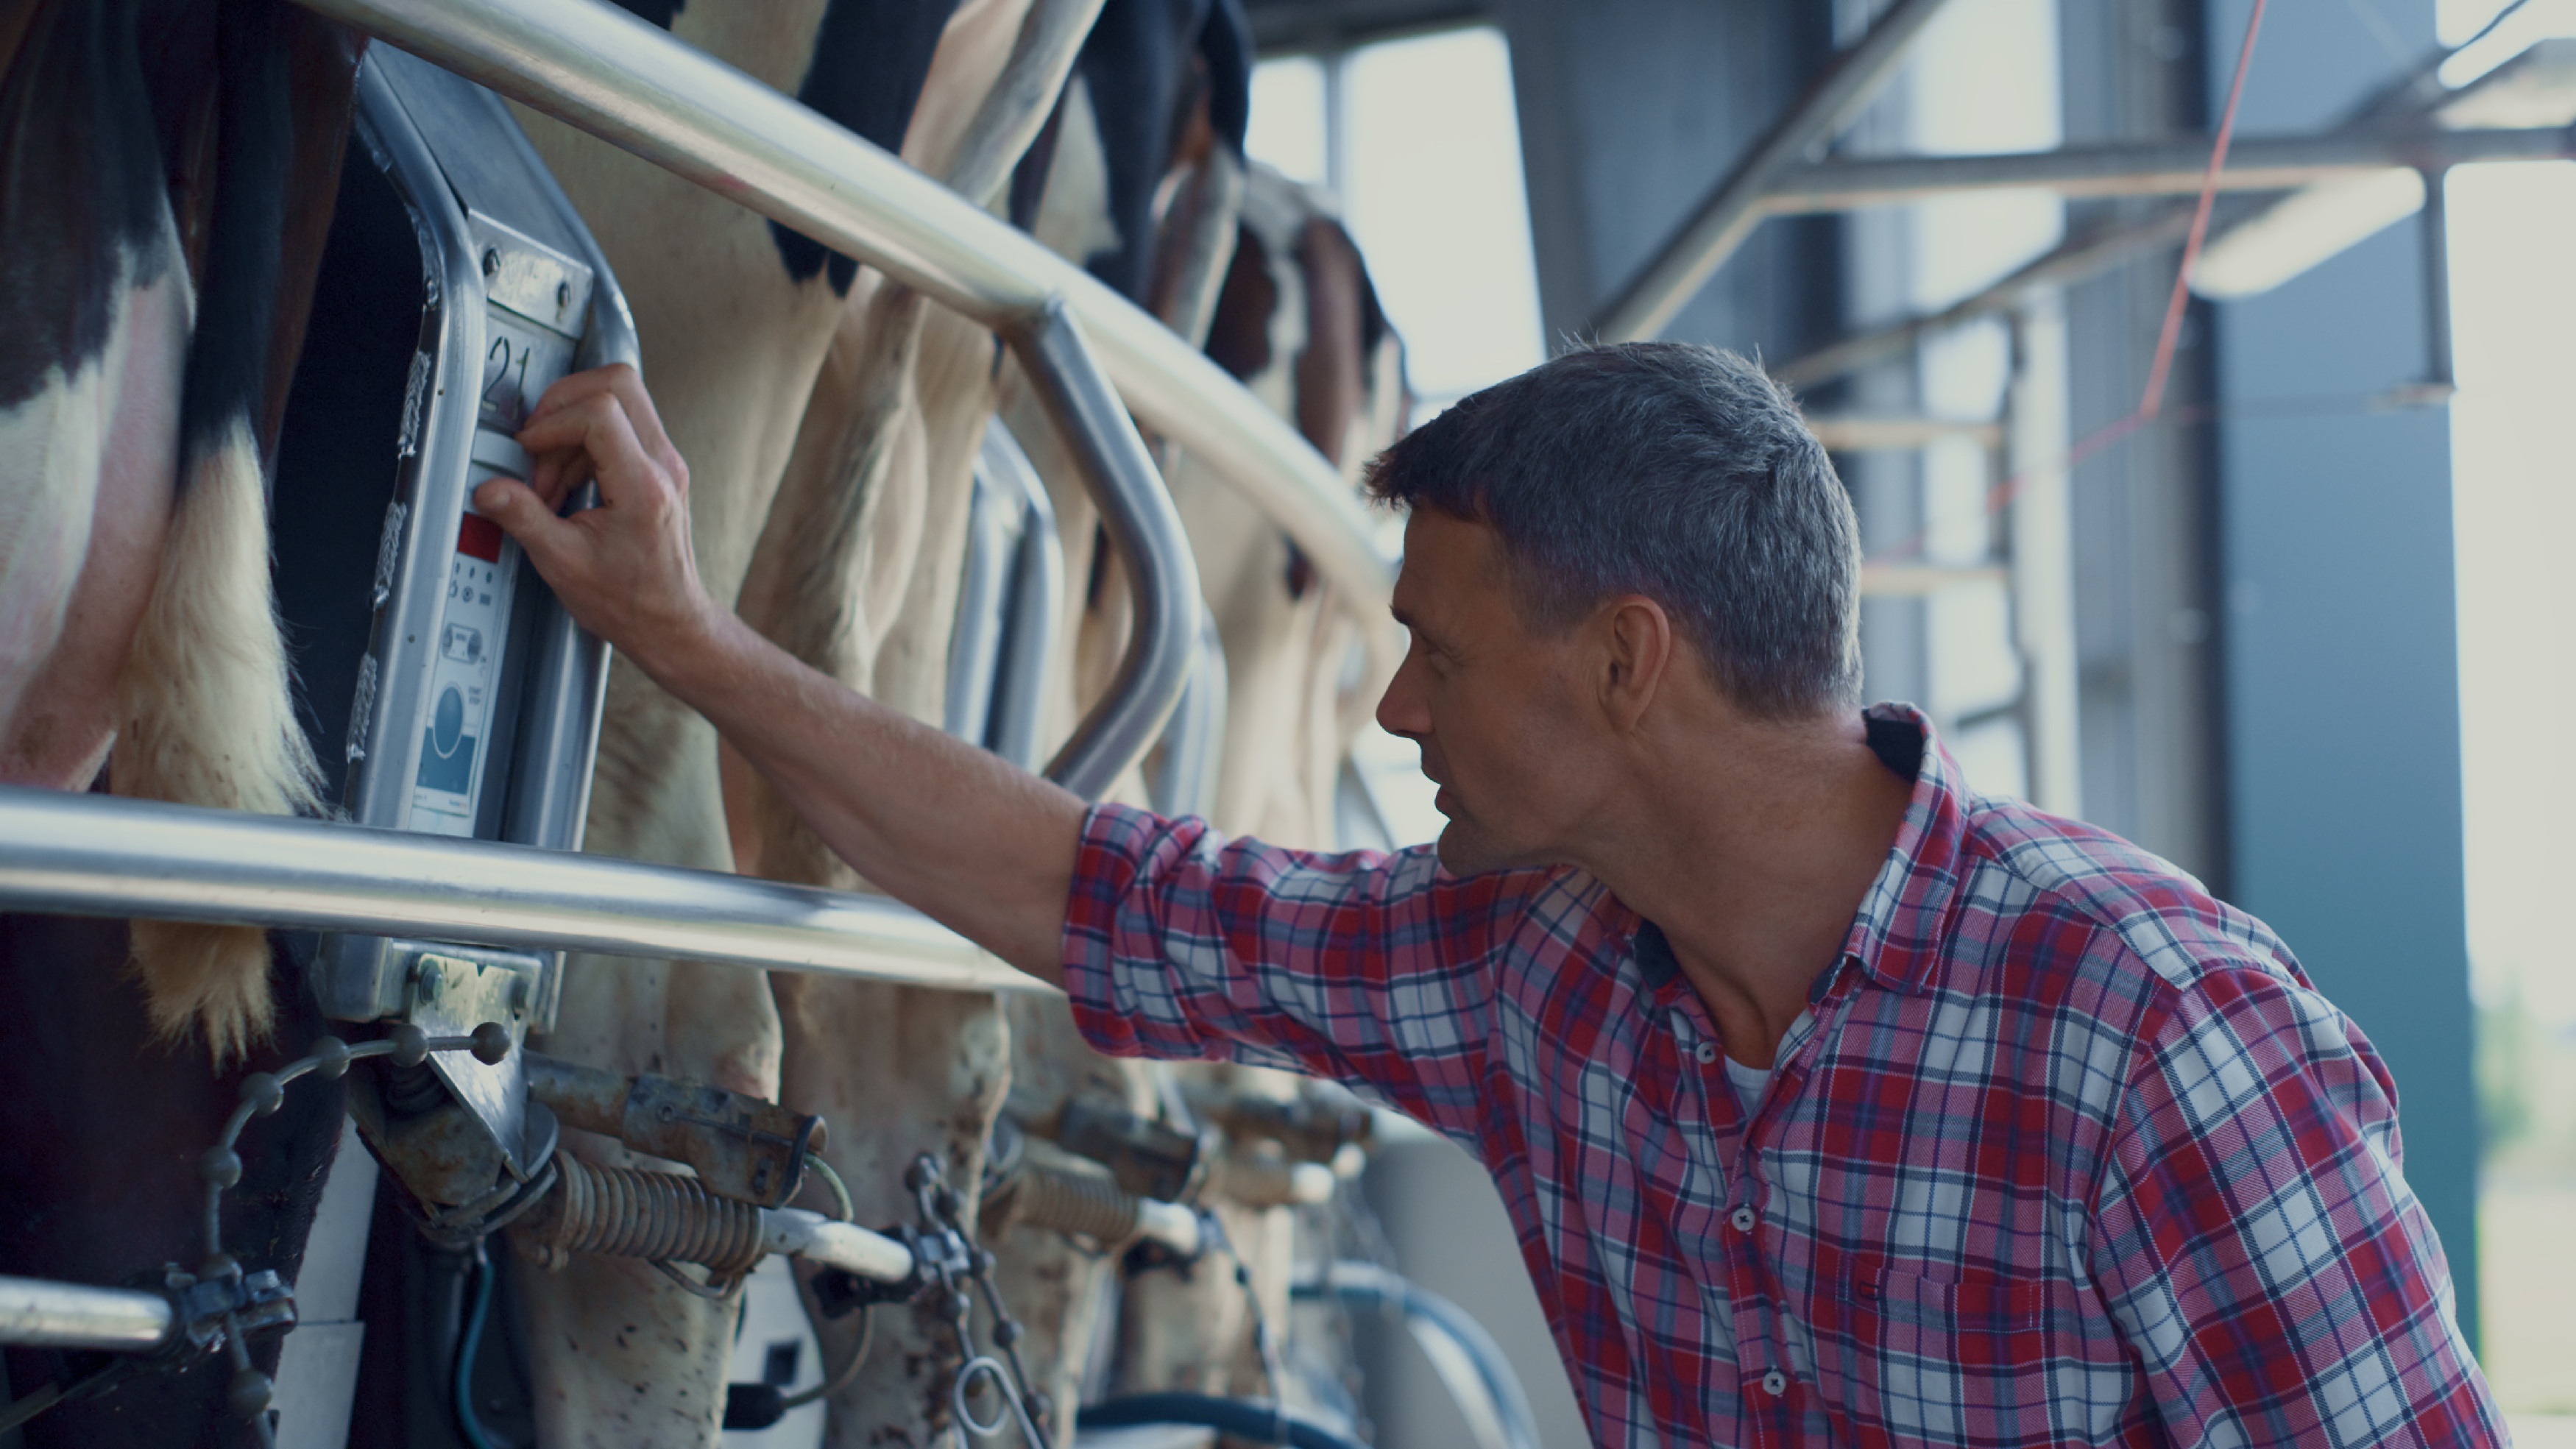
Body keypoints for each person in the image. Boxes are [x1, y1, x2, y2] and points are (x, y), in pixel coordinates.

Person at [475, 343, 2502, 1447]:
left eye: (1439, 650)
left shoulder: (2154, 1035)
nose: (1390, 701)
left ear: (1626, 661)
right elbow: (1079, 884)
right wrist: (689, 637)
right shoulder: (1520, 963)